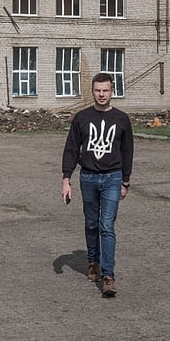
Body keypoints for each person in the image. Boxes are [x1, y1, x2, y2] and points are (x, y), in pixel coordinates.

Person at [61, 72, 134, 298]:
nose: (101, 94)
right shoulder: (82, 118)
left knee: (107, 226)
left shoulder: (121, 119)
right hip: (88, 178)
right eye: (97, 90)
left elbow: (127, 151)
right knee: (92, 223)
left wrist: (125, 181)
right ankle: (93, 262)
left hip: (113, 177)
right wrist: (66, 179)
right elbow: (71, 149)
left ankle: (108, 276)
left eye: (105, 90)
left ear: (113, 92)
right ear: (92, 92)